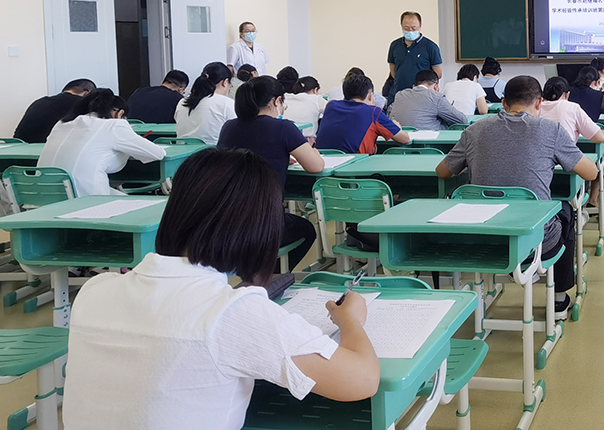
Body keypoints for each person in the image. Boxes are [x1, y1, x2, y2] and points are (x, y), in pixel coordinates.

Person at [62, 148, 379, 430]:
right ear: (261, 228)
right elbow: (362, 380)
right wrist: (351, 320)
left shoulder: (94, 290)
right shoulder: (231, 314)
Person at [436, 76, 598, 320]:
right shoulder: (550, 130)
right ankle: (558, 298)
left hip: (482, 237)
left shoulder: (474, 130)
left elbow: (442, 171)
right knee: (565, 210)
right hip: (534, 240)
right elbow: (591, 173)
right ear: (539, 103)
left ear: (503, 103)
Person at [218, 76, 324, 272]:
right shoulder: (283, 127)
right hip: (265, 222)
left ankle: (257, 273)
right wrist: (314, 152)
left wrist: (281, 156)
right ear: (276, 101)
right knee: (306, 231)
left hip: (228, 220)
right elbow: (315, 166)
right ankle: (271, 275)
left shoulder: (229, 127)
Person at [38, 89, 165, 196]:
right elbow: (158, 154)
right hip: (83, 200)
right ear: (119, 113)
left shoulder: (61, 124)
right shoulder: (114, 125)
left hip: (43, 197)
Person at [539, 76, 604, 207]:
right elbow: (599, 137)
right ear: (567, 94)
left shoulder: (535, 108)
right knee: (591, 167)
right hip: (565, 172)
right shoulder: (572, 107)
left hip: (539, 175)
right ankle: (585, 206)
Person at [316, 74, 410, 154]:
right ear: (370, 96)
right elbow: (405, 139)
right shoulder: (373, 112)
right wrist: (397, 128)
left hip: (322, 161)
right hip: (354, 164)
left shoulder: (331, 106)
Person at [14, 78, 96, 143]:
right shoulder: (82, 104)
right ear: (87, 93)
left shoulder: (40, 101)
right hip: (48, 152)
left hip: (19, 151)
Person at [386, 11, 442, 105]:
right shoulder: (394, 45)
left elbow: (438, 74)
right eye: (406, 28)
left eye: (414, 28)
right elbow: (393, 71)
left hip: (423, 98)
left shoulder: (431, 47)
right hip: (399, 96)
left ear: (420, 26)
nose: (410, 31)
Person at [174, 62, 236, 145]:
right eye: (230, 85)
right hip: (213, 152)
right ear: (225, 82)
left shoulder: (182, 101)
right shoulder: (226, 103)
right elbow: (236, 130)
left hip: (182, 151)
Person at [388, 70, 468, 131]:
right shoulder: (436, 97)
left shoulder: (400, 94)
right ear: (436, 86)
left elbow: (389, 113)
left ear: (414, 85)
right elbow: (462, 120)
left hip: (397, 141)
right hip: (428, 143)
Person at [125, 70, 189, 124]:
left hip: (133, 132)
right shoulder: (177, 98)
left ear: (163, 82)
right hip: (159, 134)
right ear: (181, 89)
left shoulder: (139, 91)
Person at [284, 76, 328, 144]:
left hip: (284, 138)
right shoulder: (316, 99)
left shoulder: (286, 97)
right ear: (315, 90)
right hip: (305, 141)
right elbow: (332, 110)